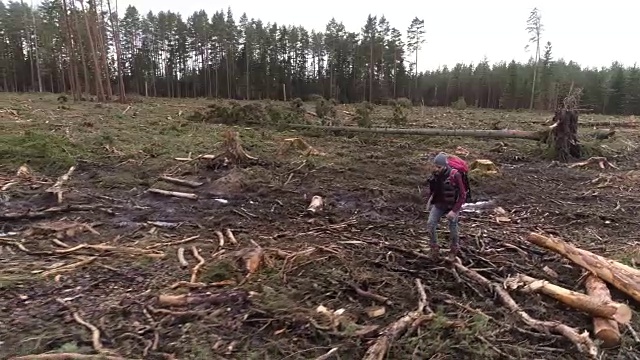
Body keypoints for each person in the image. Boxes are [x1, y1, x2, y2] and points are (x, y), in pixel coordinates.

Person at [426, 152, 467, 260]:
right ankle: (434, 247)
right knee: (430, 224)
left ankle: (454, 248)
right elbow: (433, 190)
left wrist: (454, 211)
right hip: (439, 204)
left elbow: (463, 195)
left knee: (453, 227)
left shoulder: (455, 175)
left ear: (444, 166)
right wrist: (430, 201)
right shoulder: (435, 175)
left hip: (452, 205)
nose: (436, 169)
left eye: (438, 167)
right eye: (435, 166)